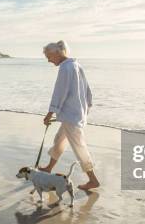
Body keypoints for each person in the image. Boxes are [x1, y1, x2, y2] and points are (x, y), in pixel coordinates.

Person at [39, 40, 100, 190]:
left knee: (79, 147)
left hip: (71, 116)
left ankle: (93, 180)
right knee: (59, 140)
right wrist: (86, 109)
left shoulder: (66, 68)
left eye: (49, 56)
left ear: (57, 53)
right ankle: (49, 168)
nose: (48, 60)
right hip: (74, 113)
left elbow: (59, 93)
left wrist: (49, 113)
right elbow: (87, 91)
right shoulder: (76, 65)